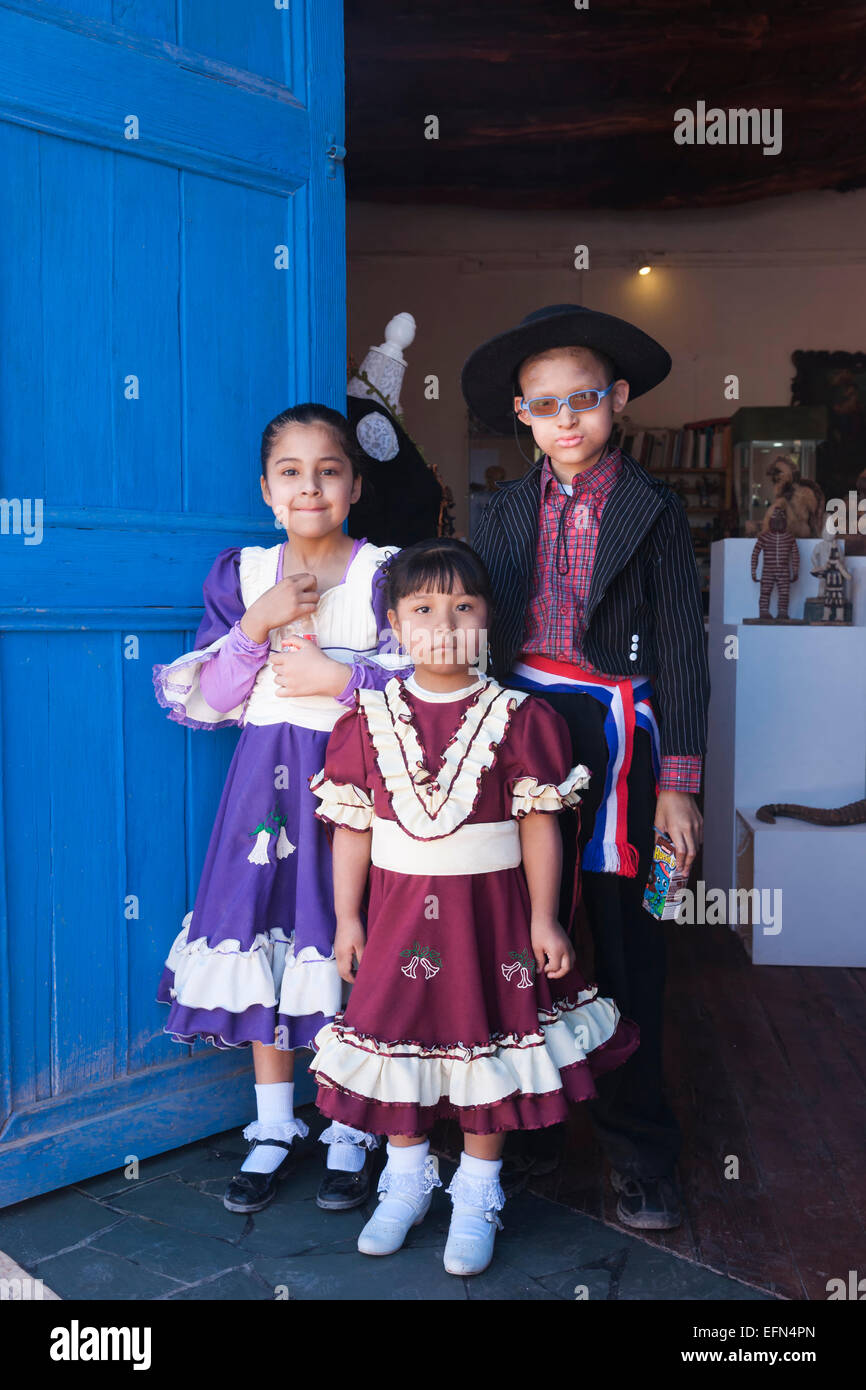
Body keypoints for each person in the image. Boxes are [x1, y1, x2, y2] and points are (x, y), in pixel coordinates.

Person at [308, 538, 640, 1277]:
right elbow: (352, 831)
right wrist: (349, 919)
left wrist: (545, 918)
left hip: (491, 924)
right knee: (401, 1050)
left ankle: (478, 1191)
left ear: (490, 620)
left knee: (488, 1047)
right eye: (424, 608)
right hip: (398, 924)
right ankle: (406, 1180)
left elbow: (539, 825)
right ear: (393, 623)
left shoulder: (522, 717)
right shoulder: (365, 718)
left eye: (464, 606)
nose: (445, 622)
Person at [462, 304, 710, 1230]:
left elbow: (683, 647)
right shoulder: (502, 509)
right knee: (526, 935)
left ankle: (641, 1150)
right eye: (546, 405)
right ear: (521, 416)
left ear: (620, 400)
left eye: (586, 400)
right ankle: (526, 1132)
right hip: (525, 733)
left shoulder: (654, 508)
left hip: (627, 743)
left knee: (632, 938)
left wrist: (678, 784)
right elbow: (478, 638)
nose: (567, 419)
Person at [153, 403, 410, 1216]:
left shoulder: (387, 574)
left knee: (345, 943)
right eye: (291, 473)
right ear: (267, 491)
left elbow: (430, 695)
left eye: (328, 470)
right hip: (261, 793)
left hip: (357, 793)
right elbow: (210, 703)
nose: (311, 487)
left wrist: (342, 681)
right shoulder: (244, 576)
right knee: (267, 941)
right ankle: (274, 1126)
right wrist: (256, 629)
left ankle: (347, 1125)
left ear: (355, 485)